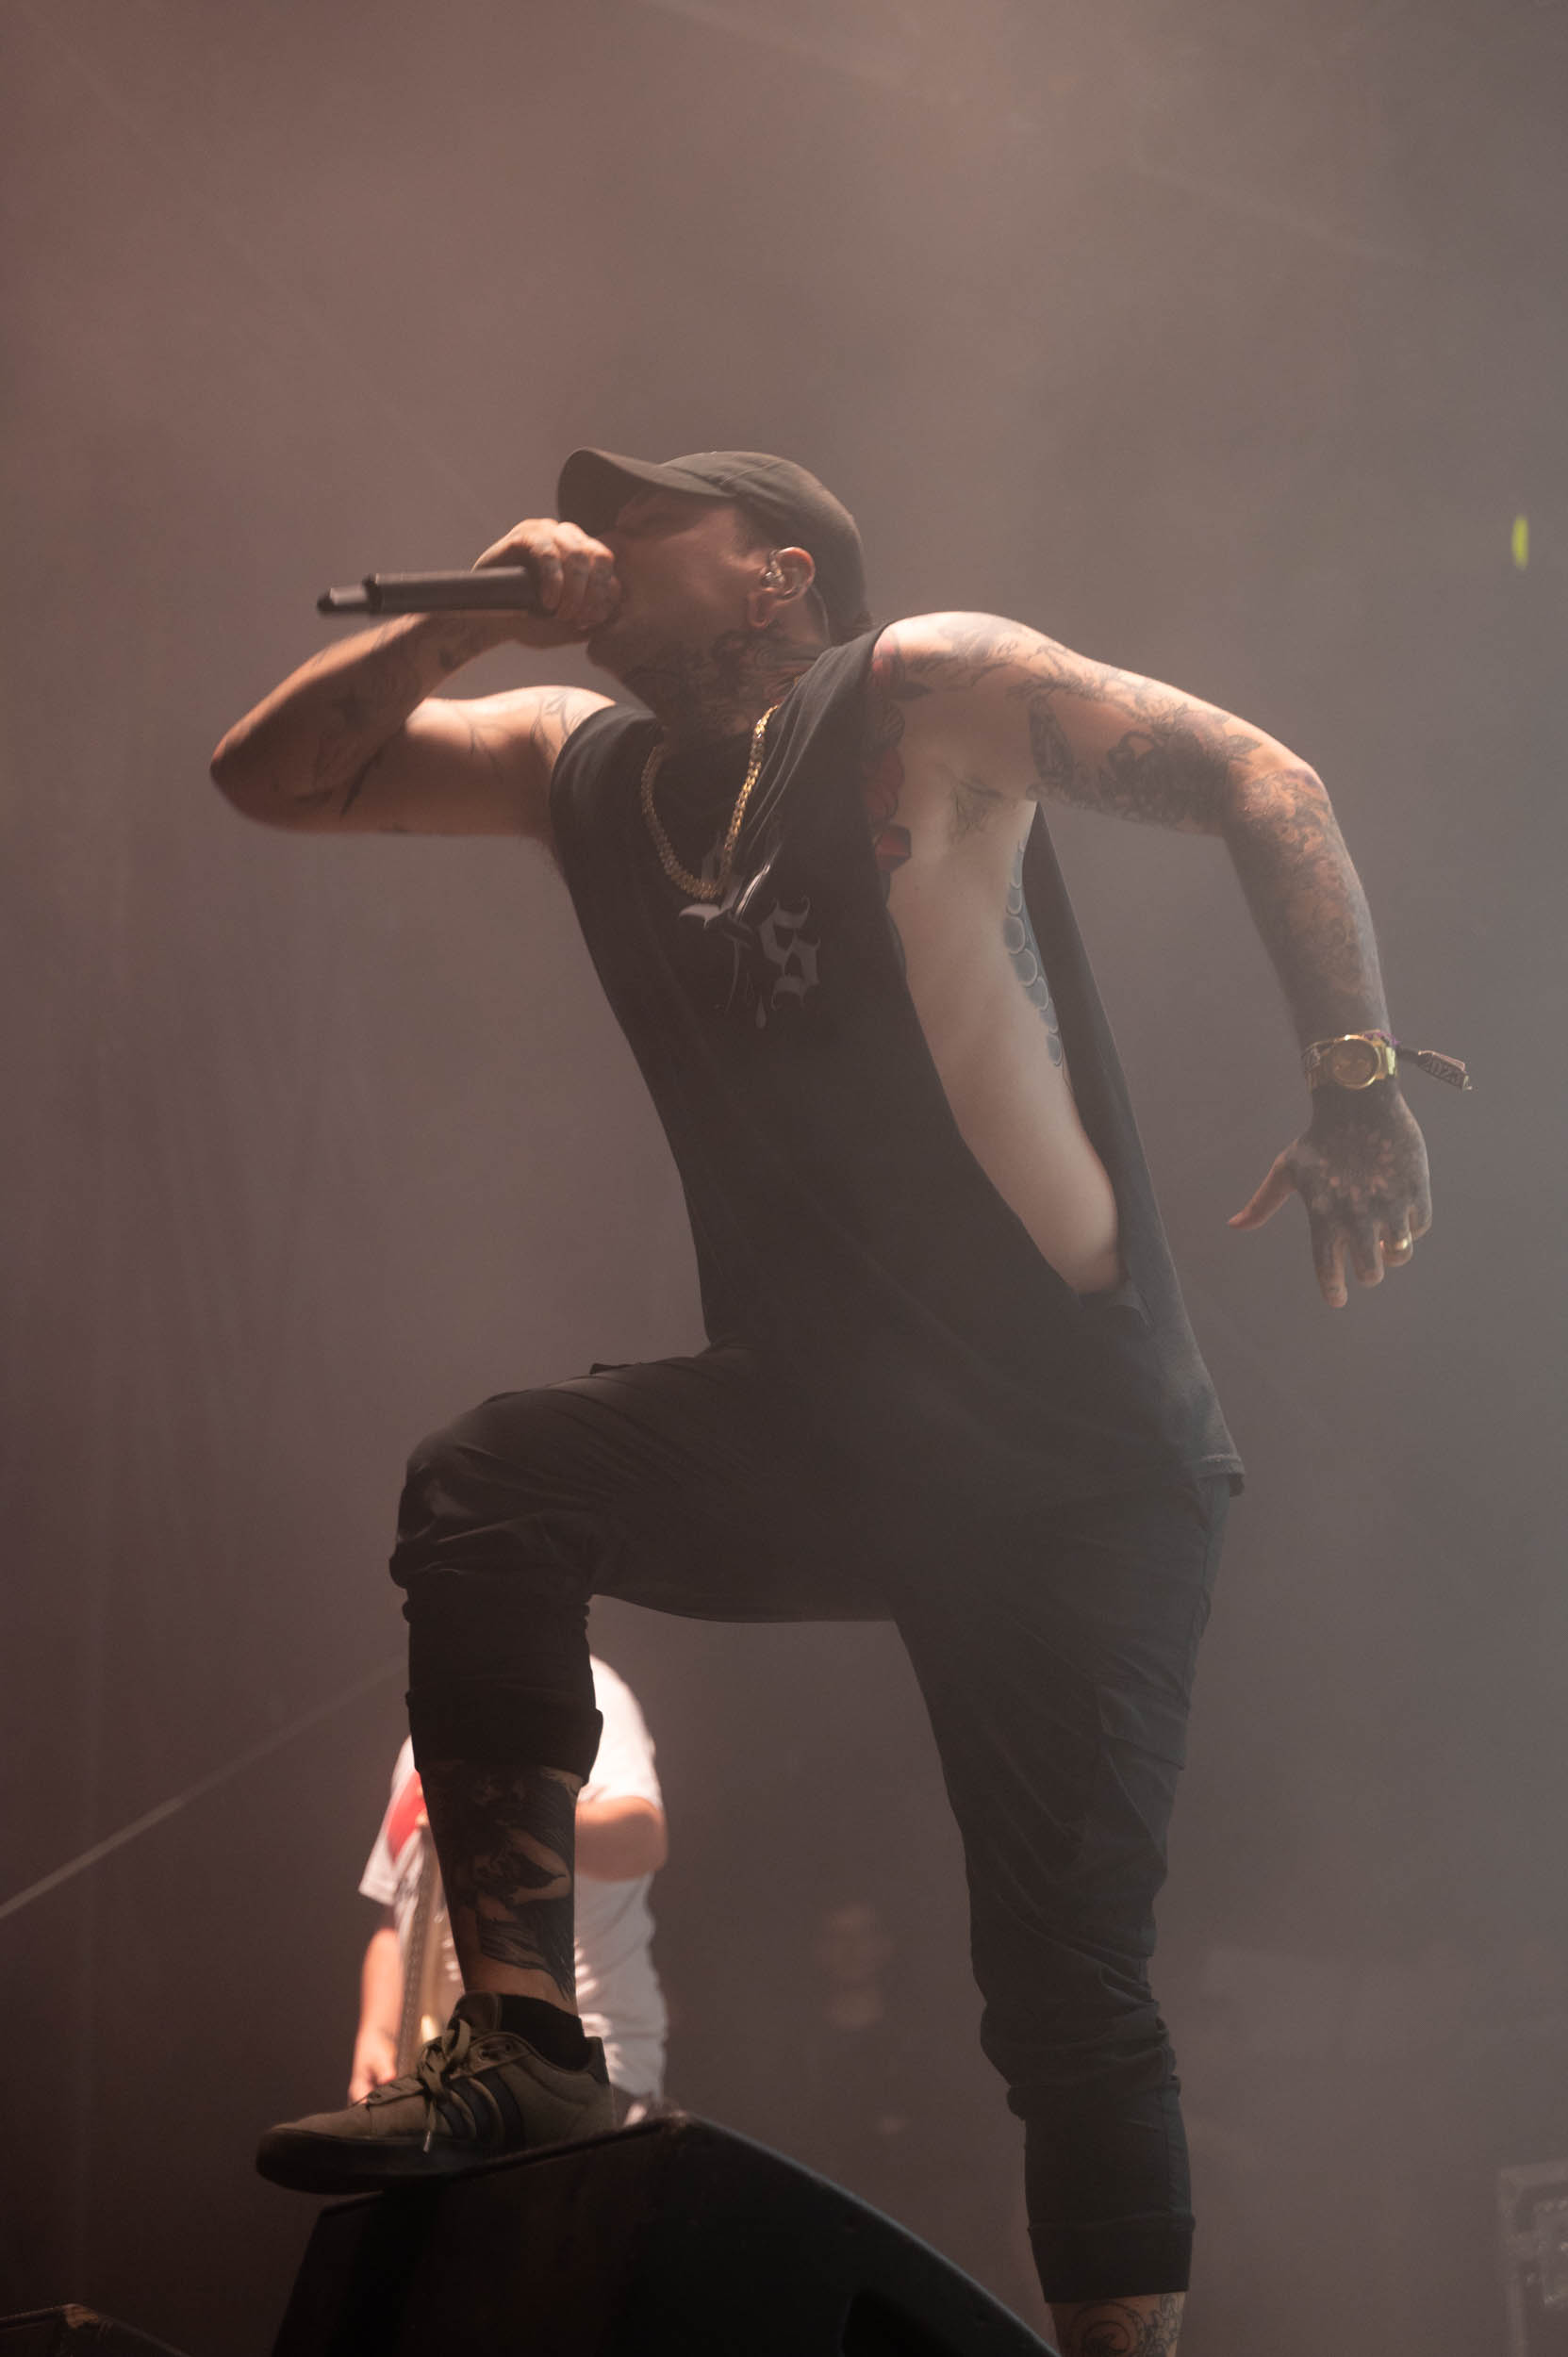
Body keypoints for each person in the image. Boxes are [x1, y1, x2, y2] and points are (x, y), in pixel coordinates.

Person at [215, 446, 1459, 2356]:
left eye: (651, 521)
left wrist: (1352, 1078)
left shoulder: (914, 690)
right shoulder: (580, 765)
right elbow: (273, 777)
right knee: (491, 1479)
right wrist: (465, 618)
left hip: (1069, 1459)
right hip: (823, 1426)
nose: (605, 545)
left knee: (1059, 1984)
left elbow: (1259, 777)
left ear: (778, 571)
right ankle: (527, 2043)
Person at [352, 1654, 668, 2122]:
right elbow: (394, 1918)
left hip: (577, 2071)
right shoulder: (418, 1746)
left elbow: (642, 1839)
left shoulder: (582, 1690)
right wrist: (377, 2033)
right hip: (455, 2088)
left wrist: (507, 1813)